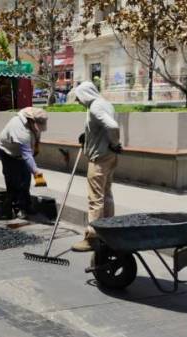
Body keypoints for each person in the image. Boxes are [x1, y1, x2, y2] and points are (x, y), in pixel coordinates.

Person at [72, 81, 122, 252]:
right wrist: (86, 135)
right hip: (109, 156)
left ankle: (92, 238)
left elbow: (112, 126)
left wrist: (115, 142)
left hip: (99, 159)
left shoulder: (95, 107)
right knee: (107, 194)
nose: (77, 102)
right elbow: (101, 128)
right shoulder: (104, 103)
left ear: (85, 94)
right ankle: (109, 230)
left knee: (95, 199)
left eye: (78, 98)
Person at [0, 107, 48, 219]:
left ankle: (26, 205)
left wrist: (37, 145)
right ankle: (16, 206)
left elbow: (37, 134)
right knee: (14, 179)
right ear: (32, 121)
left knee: (25, 178)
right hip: (7, 151)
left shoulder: (35, 120)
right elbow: (26, 154)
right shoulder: (19, 128)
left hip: (21, 152)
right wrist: (37, 172)